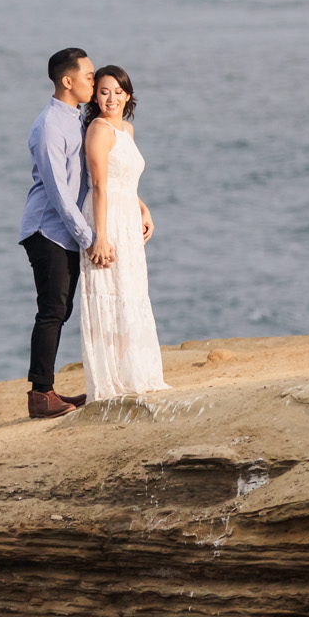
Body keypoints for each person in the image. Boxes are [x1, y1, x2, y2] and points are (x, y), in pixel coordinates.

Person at [78, 65, 170, 400]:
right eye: (104, 91)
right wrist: (99, 237)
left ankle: (134, 375)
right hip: (107, 217)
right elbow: (100, 184)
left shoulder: (126, 130)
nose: (111, 98)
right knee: (109, 292)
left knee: (129, 292)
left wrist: (143, 208)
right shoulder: (98, 130)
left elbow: (124, 179)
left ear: (128, 95)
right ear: (95, 96)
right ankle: (110, 381)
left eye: (118, 91)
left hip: (128, 215)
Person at [19, 48, 95, 418]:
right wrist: (89, 237)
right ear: (68, 81)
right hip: (47, 231)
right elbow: (59, 192)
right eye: (89, 77)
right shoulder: (50, 126)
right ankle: (40, 396)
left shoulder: (78, 120)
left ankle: (47, 389)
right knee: (51, 311)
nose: (93, 83)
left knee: (59, 310)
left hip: (65, 231)